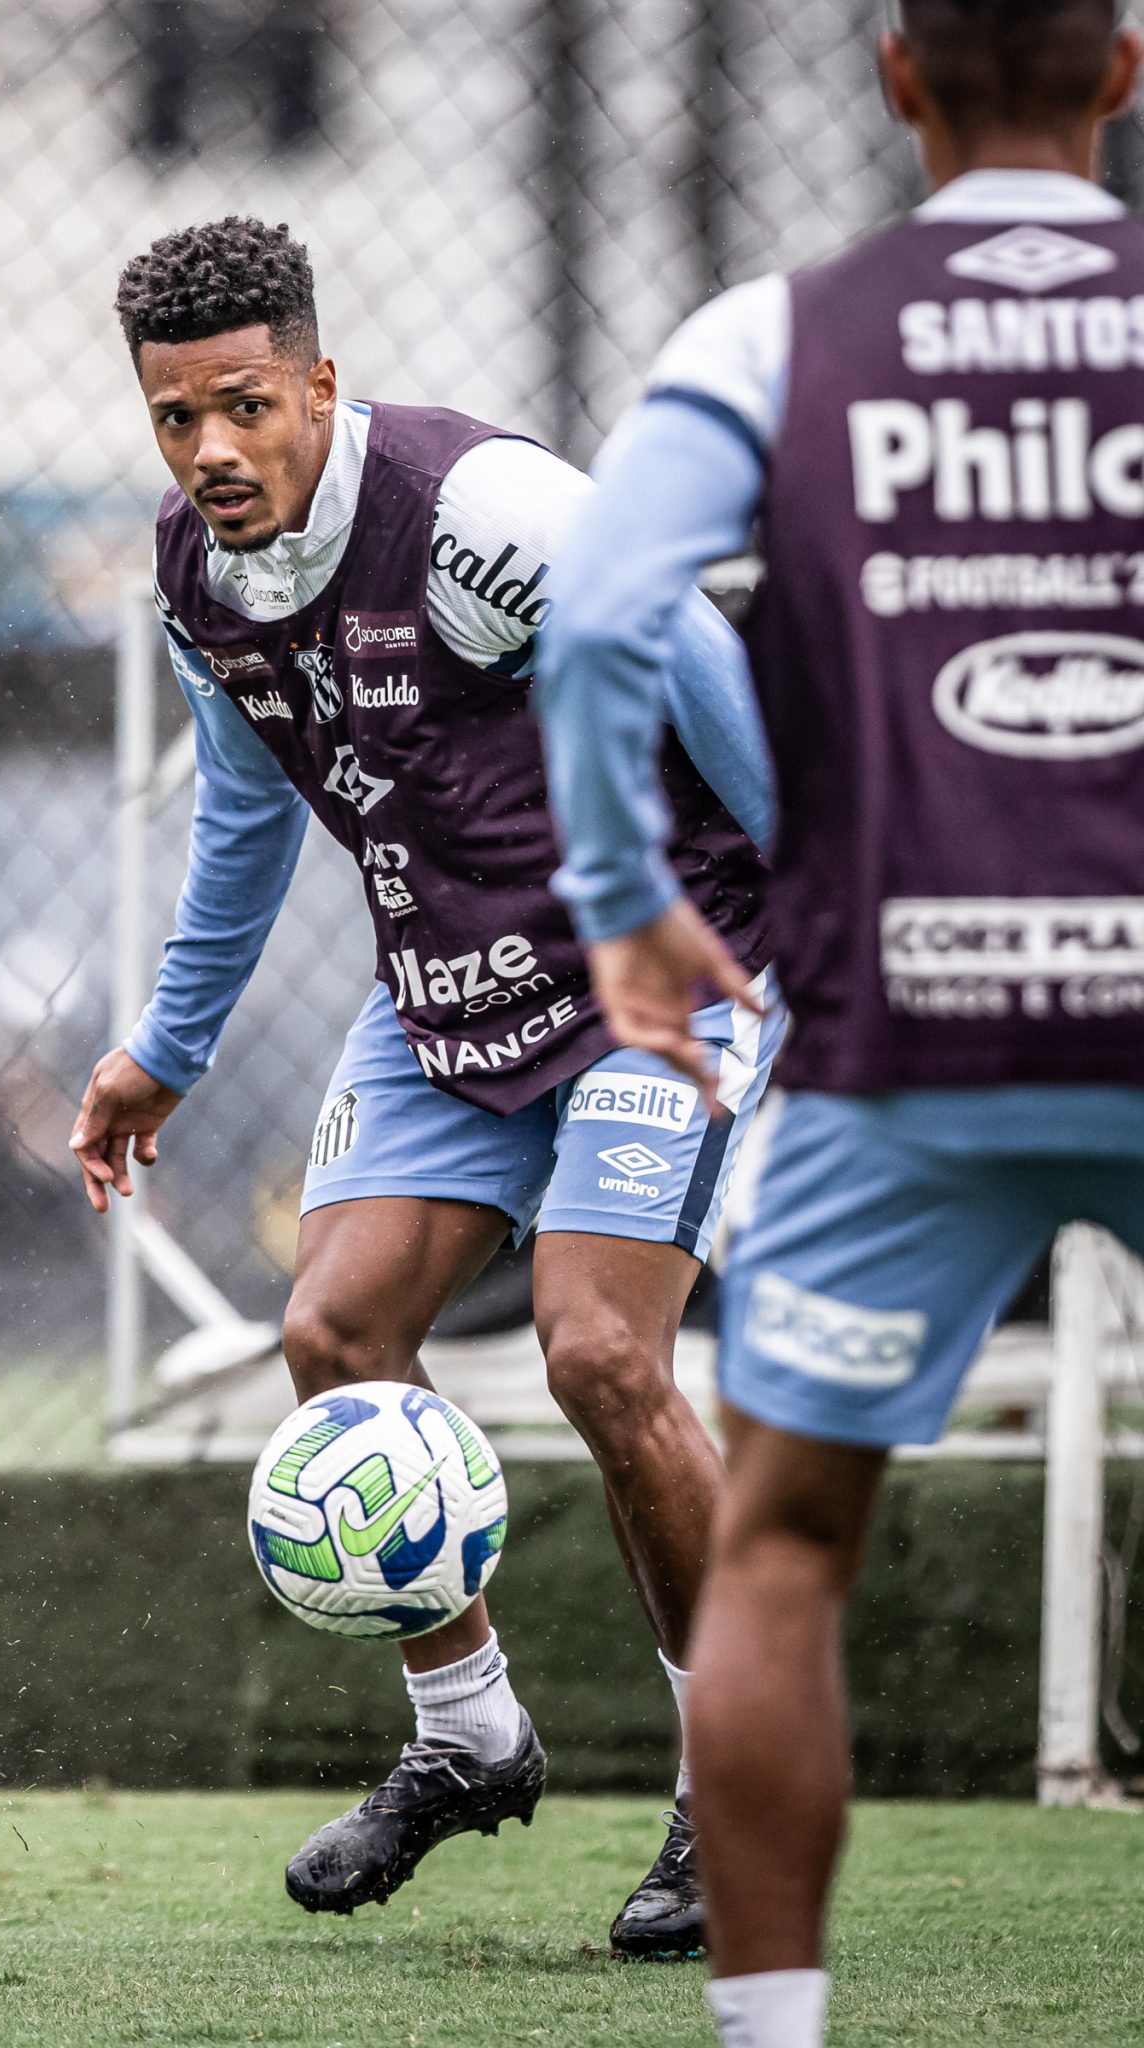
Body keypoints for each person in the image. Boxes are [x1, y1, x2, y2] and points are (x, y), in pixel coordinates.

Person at [536, 4, 1144, 2041]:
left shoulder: (764, 339)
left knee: (784, 1542)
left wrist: (624, 903)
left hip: (901, 1034)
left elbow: (602, 608)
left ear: (893, 73)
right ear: (1122, 74)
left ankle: (769, 2030)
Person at [70, 218, 779, 1955]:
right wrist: (165, 1046)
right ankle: (469, 1740)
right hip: (445, 994)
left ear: (319, 383)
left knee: (601, 1348)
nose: (212, 451)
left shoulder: (485, 513)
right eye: (176, 420)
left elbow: (693, 651)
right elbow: (244, 814)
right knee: (331, 1336)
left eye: (244, 406)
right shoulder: (198, 574)